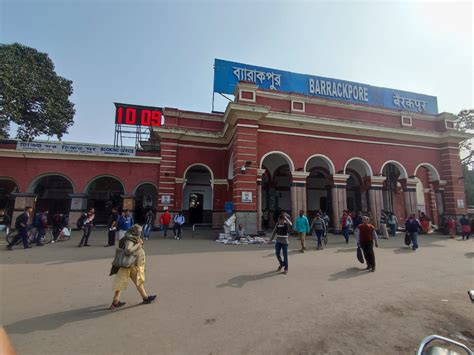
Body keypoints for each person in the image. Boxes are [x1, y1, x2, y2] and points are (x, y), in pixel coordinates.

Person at [109, 224, 157, 309]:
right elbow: (128, 250)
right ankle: (144, 298)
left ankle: (116, 301)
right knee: (128, 283)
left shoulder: (133, 237)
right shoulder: (130, 239)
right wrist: (138, 245)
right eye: (139, 231)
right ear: (134, 231)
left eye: (140, 231)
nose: (140, 233)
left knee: (132, 282)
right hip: (130, 265)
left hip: (131, 265)